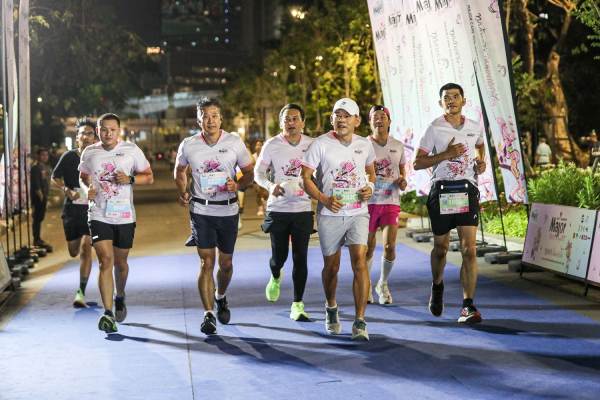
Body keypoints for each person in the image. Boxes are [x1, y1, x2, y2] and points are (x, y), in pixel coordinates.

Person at [174, 98, 254, 335]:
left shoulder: (234, 142)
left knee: (226, 264)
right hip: (202, 210)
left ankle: (220, 296)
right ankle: (208, 314)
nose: (210, 120)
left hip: (228, 210)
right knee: (206, 262)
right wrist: (183, 191)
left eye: (215, 115)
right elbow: (180, 170)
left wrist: (237, 185)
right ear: (198, 120)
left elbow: (249, 173)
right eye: (205, 116)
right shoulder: (189, 145)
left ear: (221, 118)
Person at [301, 98, 376, 341]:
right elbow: (305, 177)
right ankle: (331, 306)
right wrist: (324, 199)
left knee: (360, 262)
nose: (341, 120)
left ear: (357, 120)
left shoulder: (364, 144)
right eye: (337, 115)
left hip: (358, 212)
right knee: (332, 267)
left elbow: (371, 173)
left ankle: (360, 321)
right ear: (331, 119)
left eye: (346, 115)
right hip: (330, 213)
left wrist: (370, 188)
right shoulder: (320, 144)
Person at [414, 83, 486, 324]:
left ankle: (468, 306)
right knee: (441, 248)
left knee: (469, 249)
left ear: (464, 101)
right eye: (446, 97)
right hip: (442, 190)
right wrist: (446, 154)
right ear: (440, 103)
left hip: (466, 190)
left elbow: (480, 145)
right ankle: (437, 285)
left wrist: (481, 162)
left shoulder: (474, 126)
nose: (451, 100)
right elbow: (417, 163)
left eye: (456, 96)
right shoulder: (434, 128)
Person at [79, 113, 154, 333]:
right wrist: (87, 189)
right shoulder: (89, 152)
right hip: (98, 214)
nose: (108, 133)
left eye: (112, 129)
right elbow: (83, 176)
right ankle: (108, 313)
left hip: (124, 215)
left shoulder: (131, 150)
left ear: (118, 131)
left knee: (120, 263)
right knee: (105, 261)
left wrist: (130, 179)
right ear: (98, 131)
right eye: (103, 129)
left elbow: (149, 176)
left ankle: (119, 295)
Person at [254, 104, 314, 321]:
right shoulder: (272, 145)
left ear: (303, 122)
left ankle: (297, 304)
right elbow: (258, 173)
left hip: (302, 209)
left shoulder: (312, 144)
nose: (291, 123)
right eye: (287, 119)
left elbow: (322, 171)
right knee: (279, 256)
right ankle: (275, 274)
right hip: (278, 208)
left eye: (295, 118)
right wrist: (270, 186)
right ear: (281, 123)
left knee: (300, 257)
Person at [52, 118, 97, 308]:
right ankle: (81, 289)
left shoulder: (98, 156)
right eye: (82, 133)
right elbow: (55, 177)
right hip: (71, 209)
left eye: (89, 133)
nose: (86, 136)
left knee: (87, 248)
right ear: (77, 137)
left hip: (91, 209)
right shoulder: (68, 157)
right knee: (73, 251)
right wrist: (66, 190)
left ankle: (81, 292)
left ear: (94, 137)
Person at [365, 105, 407, 305]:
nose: (379, 119)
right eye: (375, 116)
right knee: (367, 248)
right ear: (370, 121)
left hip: (391, 201)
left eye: (383, 116)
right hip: (368, 203)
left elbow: (402, 169)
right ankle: (365, 284)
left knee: (390, 246)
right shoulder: (363, 145)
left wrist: (403, 180)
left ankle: (382, 284)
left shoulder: (397, 145)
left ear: (389, 121)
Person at [30, 147, 52, 250]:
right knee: (37, 219)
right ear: (38, 156)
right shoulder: (35, 168)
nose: (45, 157)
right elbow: (36, 185)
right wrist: (41, 197)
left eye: (46, 155)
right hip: (38, 198)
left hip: (44, 197)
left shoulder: (45, 167)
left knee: (40, 218)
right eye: (43, 155)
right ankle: (36, 239)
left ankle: (38, 239)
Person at [252, 140, 269, 216]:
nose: (258, 146)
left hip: (265, 177)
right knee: (258, 193)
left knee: (265, 193)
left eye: (260, 145)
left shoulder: (266, 156)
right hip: (255, 179)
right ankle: (260, 208)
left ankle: (265, 204)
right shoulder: (253, 156)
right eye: (257, 145)